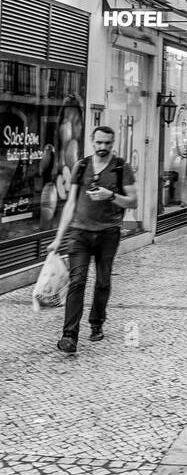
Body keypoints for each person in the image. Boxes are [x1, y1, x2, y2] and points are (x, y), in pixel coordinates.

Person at [48, 125, 138, 356]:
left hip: (108, 233)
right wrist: (58, 238)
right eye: (99, 142)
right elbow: (70, 204)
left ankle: (97, 321)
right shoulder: (82, 166)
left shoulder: (121, 168)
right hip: (79, 233)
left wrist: (110, 196)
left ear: (113, 142)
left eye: (107, 143)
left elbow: (133, 201)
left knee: (103, 281)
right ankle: (69, 336)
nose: (103, 147)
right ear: (92, 141)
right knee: (77, 281)